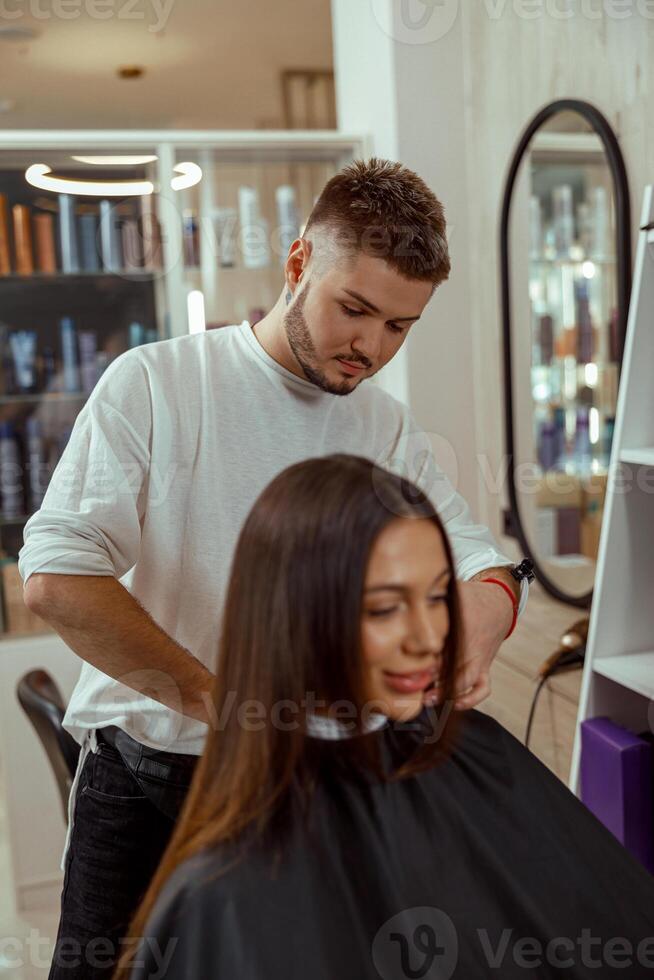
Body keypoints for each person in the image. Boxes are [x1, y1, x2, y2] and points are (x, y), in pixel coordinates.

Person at [19, 159, 530, 978]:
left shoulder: (382, 425)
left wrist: (490, 608)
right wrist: (223, 704)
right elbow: (55, 578)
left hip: (306, 779)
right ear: (298, 265)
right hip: (156, 775)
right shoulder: (157, 385)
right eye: (353, 309)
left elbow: (478, 558)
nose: (371, 346)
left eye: (400, 327)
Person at [115, 455, 654, 980]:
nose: (427, 638)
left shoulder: (473, 751)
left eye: (440, 596)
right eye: (384, 608)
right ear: (294, 617)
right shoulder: (222, 898)